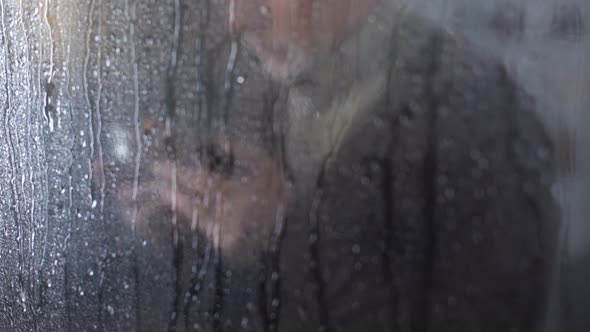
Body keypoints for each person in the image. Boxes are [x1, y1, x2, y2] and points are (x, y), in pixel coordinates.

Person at [120, 0, 560, 330]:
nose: (237, 19)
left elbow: (487, 314)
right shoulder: (267, 96)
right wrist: (194, 247)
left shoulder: (479, 116)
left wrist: (285, 234)